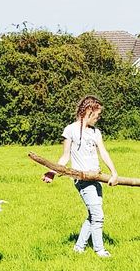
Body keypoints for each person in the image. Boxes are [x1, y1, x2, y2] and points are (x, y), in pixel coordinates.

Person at [42, 95, 119, 257]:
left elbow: (103, 153)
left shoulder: (96, 132)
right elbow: (65, 156)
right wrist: (52, 172)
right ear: (88, 111)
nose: (98, 118)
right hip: (82, 179)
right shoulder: (70, 130)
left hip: (96, 178)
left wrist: (114, 173)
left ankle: (79, 247)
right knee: (98, 216)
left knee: (93, 215)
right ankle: (100, 250)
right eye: (97, 115)